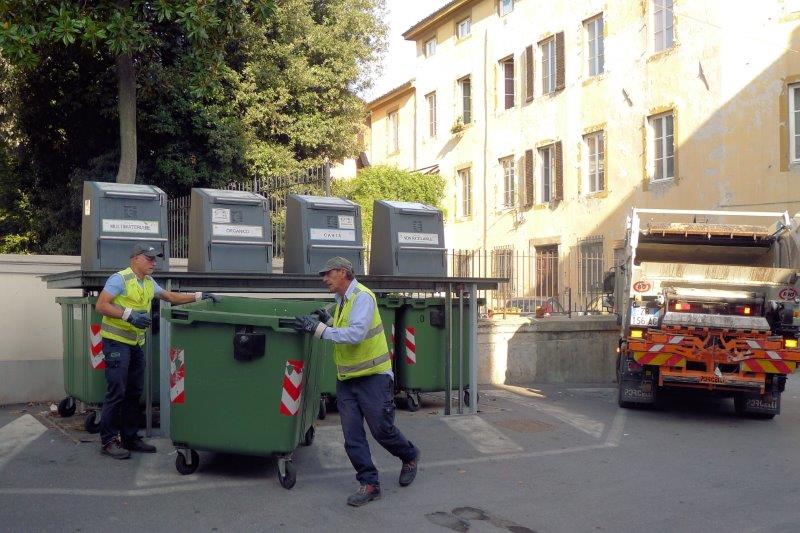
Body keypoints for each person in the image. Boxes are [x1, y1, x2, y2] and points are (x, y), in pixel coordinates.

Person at [293, 256, 419, 507]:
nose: (324, 279)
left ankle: (410, 455)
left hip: (373, 377)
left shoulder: (362, 297)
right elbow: (344, 327)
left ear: (343, 272)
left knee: (382, 430)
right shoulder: (341, 301)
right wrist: (327, 321)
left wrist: (318, 329)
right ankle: (370, 483)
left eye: (328, 274)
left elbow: (356, 333)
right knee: (352, 437)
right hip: (348, 379)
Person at [95, 243, 218, 459]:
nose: (154, 262)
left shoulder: (148, 282)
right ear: (135, 259)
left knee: (134, 392)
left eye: (155, 259)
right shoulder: (120, 279)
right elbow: (101, 305)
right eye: (149, 258)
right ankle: (108, 441)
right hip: (116, 343)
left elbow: (170, 297)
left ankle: (130, 438)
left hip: (135, 344)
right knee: (117, 392)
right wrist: (128, 315)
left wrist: (199, 296)